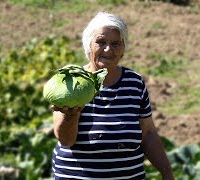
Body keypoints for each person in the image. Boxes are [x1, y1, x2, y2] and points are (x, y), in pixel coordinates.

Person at [51, 11, 174, 180]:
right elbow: (65, 140)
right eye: (101, 42)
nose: (108, 49)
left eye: (116, 43)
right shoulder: (71, 81)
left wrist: (167, 172)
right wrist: (71, 116)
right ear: (89, 45)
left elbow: (148, 134)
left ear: (123, 48)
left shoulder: (134, 83)